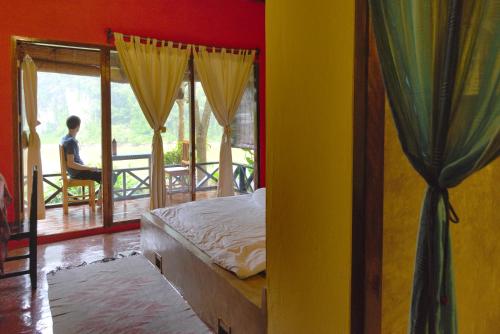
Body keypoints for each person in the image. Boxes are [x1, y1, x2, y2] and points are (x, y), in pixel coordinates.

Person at [61, 115, 102, 183]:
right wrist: (89, 168)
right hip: (78, 173)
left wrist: (89, 168)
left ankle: (101, 193)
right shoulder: (71, 142)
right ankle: (102, 193)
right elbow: (71, 163)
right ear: (78, 127)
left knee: (105, 172)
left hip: (74, 172)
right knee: (109, 175)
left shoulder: (65, 139)